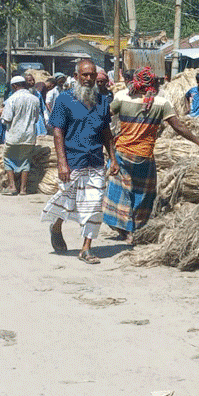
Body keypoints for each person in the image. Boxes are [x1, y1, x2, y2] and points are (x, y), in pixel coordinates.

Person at [104, 66, 199, 243]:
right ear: (153, 84)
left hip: (122, 153)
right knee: (143, 194)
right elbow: (178, 126)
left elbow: (104, 117)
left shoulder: (121, 97)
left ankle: (123, 228)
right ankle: (135, 229)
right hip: (144, 156)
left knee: (121, 191)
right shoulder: (160, 103)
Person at [40, 59, 114, 264]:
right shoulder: (64, 100)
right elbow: (57, 132)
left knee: (94, 205)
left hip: (95, 161)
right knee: (65, 201)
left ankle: (86, 248)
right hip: (73, 161)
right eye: (85, 75)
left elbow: (107, 133)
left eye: (92, 75)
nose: (89, 79)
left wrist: (113, 159)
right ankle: (56, 226)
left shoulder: (103, 102)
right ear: (76, 77)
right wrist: (62, 163)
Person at [0, 75, 41, 195]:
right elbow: (37, 118)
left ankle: (12, 186)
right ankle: (23, 189)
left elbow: (7, 119)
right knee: (25, 162)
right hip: (29, 136)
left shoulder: (12, 99)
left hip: (14, 135)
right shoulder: (35, 99)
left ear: (14, 86)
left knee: (8, 160)